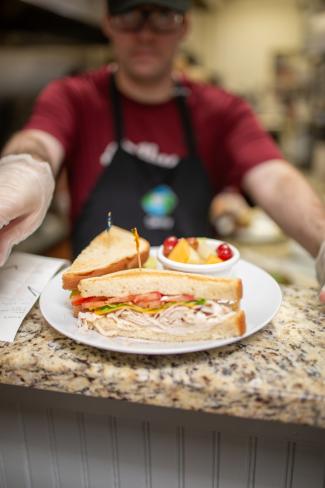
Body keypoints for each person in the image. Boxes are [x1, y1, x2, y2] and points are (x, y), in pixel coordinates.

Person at [0, 0, 325, 302]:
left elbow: (274, 177)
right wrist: (24, 168)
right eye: (129, 18)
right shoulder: (74, 97)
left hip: (196, 302)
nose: (145, 35)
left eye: (163, 18)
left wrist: (322, 240)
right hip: (94, 299)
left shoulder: (223, 109)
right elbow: (38, 140)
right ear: (108, 23)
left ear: (184, 26)